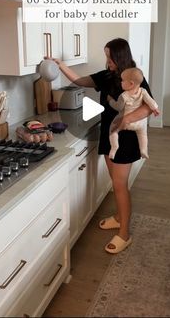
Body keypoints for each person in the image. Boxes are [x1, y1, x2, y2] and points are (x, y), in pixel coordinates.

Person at [53, 38, 154, 254]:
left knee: (119, 186)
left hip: (125, 140)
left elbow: (148, 107)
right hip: (109, 135)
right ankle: (119, 218)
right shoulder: (106, 75)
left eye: (110, 57)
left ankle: (124, 234)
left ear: (120, 56)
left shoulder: (134, 77)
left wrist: (127, 119)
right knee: (115, 183)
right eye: (106, 56)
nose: (107, 61)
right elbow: (80, 81)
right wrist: (60, 65)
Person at [107, 67, 159, 160]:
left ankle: (114, 147)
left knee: (113, 130)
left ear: (131, 84)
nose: (121, 82)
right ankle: (143, 150)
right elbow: (151, 101)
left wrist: (110, 100)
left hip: (125, 121)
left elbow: (118, 107)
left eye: (123, 80)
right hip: (139, 122)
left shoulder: (124, 95)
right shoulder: (143, 91)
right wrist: (155, 109)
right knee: (143, 134)